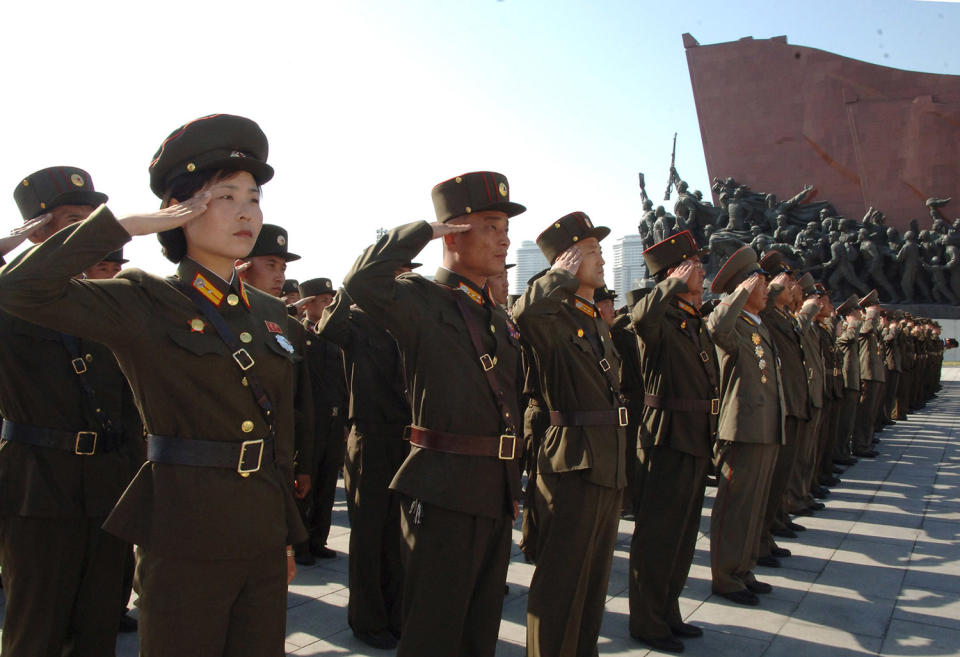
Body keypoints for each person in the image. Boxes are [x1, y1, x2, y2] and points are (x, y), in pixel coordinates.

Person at [0, 114, 307, 656]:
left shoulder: (265, 312)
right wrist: (121, 225)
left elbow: (276, 430)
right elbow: (21, 291)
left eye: (254, 198)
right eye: (225, 196)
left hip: (260, 527)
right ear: (180, 211)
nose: (245, 211)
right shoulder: (144, 299)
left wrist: (284, 530)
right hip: (184, 531)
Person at [342, 171, 524, 657]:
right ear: (457, 230)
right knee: (433, 632)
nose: (504, 238)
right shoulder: (420, 299)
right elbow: (361, 281)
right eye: (490, 225)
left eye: (505, 227)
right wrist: (425, 230)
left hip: (493, 490)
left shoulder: (498, 314)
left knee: (479, 630)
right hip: (443, 492)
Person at [0, 167, 143, 656]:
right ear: (35, 230)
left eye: (91, 220)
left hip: (109, 481)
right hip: (38, 488)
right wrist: (12, 245)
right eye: (70, 221)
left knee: (100, 619)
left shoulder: (107, 299)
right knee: (36, 623)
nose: (86, 233)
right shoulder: (8, 294)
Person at [514, 211, 627, 657]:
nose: (601, 260)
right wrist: (556, 273)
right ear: (569, 259)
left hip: (606, 460)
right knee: (561, 585)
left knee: (593, 581)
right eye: (592, 252)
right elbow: (522, 313)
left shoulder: (593, 317)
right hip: (573, 463)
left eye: (600, 251)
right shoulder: (551, 314)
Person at [627, 230, 717, 653]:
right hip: (665, 439)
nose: (702, 271)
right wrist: (669, 283)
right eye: (693, 265)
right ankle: (647, 621)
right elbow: (640, 318)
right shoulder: (658, 317)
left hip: (694, 437)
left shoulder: (691, 319)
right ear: (675, 272)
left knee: (682, 537)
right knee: (658, 537)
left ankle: (668, 610)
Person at [317, 269, 416, 649]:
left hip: (408, 438)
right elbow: (328, 328)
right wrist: (352, 285)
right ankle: (367, 619)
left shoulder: (408, 324)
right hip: (371, 438)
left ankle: (396, 613)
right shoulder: (357, 319)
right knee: (370, 534)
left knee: (401, 536)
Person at [707, 246, 785, 606]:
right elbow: (716, 327)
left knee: (753, 506)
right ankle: (725, 576)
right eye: (761, 281)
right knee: (734, 508)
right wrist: (737, 293)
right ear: (745, 285)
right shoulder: (731, 321)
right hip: (740, 430)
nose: (767, 288)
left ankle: (744, 568)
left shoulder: (757, 324)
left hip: (765, 427)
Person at [295, 277, 347, 563]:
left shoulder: (334, 336)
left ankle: (319, 539)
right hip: (310, 421)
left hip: (334, 418)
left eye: (331, 300)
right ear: (308, 304)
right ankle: (300, 543)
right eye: (323, 300)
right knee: (306, 482)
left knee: (327, 482)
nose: (329, 305)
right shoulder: (297, 335)